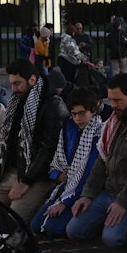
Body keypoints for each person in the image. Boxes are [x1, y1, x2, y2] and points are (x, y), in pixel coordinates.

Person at [66, 74, 127, 248]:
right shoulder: (115, 120)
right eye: (111, 100)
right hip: (110, 192)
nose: (113, 106)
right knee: (74, 230)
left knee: (112, 239)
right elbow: (102, 160)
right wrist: (88, 195)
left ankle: (122, 221)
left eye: (118, 100)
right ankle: (109, 221)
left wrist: (123, 203)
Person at [0, 58, 68, 221]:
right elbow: (5, 141)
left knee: (13, 219)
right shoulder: (17, 102)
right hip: (13, 171)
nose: (13, 89)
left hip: (39, 176)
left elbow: (49, 149)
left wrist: (26, 182)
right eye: (12, 84)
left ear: (32, 80)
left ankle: (43, 205)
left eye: (17, 83)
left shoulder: (52, 105)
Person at [31, 88, 104, 239]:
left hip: (85, 191)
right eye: (74, 114)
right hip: (65, 186)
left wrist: (65, 203)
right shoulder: (69, 129)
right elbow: (58, 160)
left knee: (53, 229)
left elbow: (88, 173)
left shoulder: (99, 134)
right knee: (36, 226)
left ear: (94, 111)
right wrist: (56, 175)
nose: (77, 118)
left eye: (82, 113)